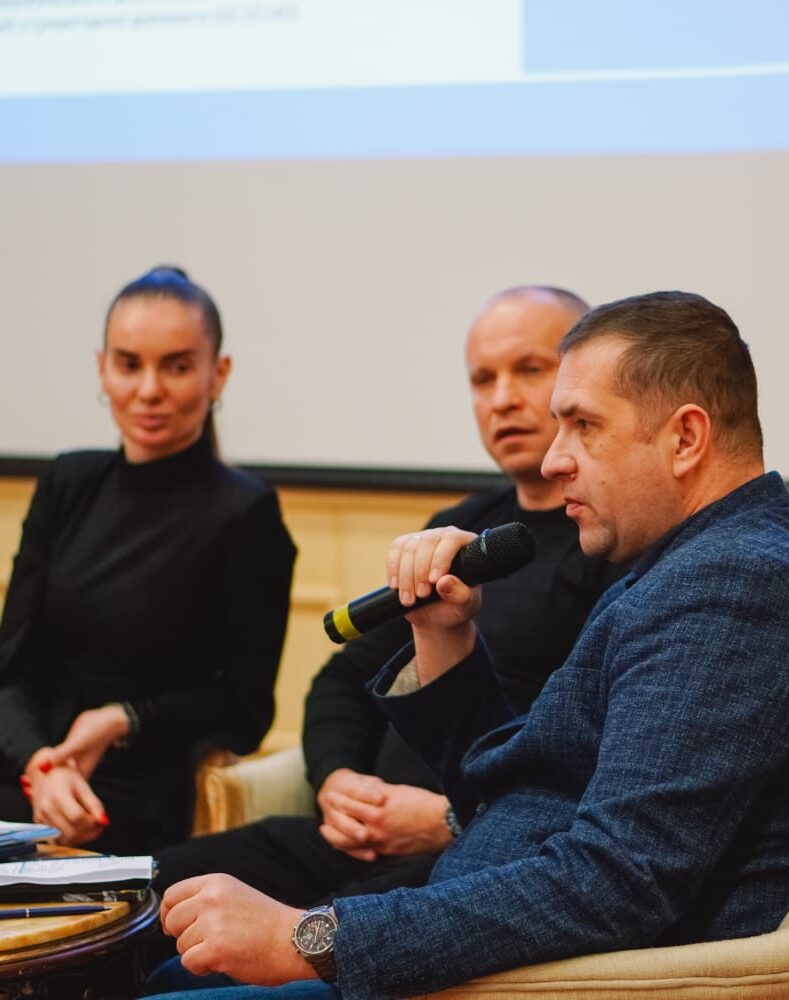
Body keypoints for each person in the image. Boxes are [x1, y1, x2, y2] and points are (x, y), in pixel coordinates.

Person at [150, 290, 789, 1000]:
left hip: (538, 983)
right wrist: (444, 635)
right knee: (162, 966)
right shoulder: (702, 561)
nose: (554, 459)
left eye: (584, 425)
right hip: (497, 945)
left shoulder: (735, 590)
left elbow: (618, 882)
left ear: (685, 437)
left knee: (158, 983)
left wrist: (309, 936)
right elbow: (527, 787)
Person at [150, 284, 622, 908]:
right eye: (483, 379)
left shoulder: (609, 542)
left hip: (477, 854)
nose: (503, 398)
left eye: (529, 370)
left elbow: (593, 754)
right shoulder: (456, 528)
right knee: (144, 892)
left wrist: (449, 819)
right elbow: (345, 679)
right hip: (355, 841)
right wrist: (337, 782)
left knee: (211, 951)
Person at [0, 266, 296, 855]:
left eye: (177, 366)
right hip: (27, 767)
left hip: (135, 795)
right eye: (129, 364)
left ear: (218, 374)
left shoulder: (246, 514)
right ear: (102, 368)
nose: (149, 389)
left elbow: (244, 709)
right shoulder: (67, 482)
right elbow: (12, 669)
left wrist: (123, 719)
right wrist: (41, 765)